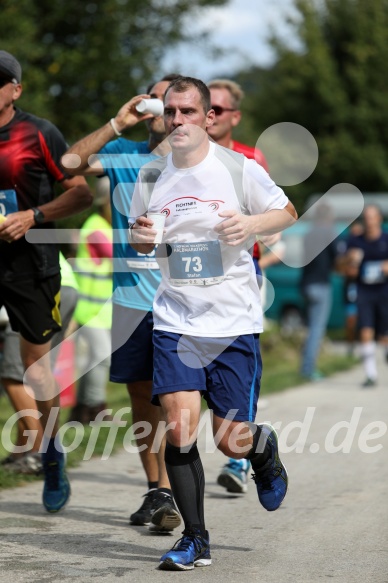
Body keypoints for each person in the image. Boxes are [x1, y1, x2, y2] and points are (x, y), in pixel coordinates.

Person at [129, 76, 297, 570]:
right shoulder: (151, 177)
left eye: (187, 111)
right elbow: (142, 245)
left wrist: (250, 225)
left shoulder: (239, 169)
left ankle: (261, 451)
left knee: (230, 440)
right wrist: (142, 238)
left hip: (231, 323)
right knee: (179, 430)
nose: (177, 120)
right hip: (175, 319)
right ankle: (196, 539)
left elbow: (286, 211)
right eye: (170, 112)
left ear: (207, 117)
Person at [62, 74, 182, 532]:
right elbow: (69, 163)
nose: (160, 108)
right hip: (130, 299)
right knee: (140, 396)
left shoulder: (201, 164)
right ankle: (157, 489)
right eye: (155, 98)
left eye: (170, 102)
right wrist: (117, 122)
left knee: (175, 398)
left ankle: (172, 487)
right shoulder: (122, 154)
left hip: (181, 301)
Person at [0, 50, 92, 512]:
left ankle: (52, 451)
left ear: (16, 89)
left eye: (0, 81)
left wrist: (32, 215)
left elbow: (81, 191)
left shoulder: (38, 133)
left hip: (30, 264)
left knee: (35, 368)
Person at [207, 78, 283, 495]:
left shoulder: (250, 158)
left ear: (235, 116)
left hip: (240, 274)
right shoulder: (179, 157)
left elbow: (272, 213)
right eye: (208, 107)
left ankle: (240, 455)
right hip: (190, 281)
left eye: (220, 108)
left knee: (241, 363)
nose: (212, 115)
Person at [0, 253, 79, 474]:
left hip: (37, 288)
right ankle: (23, 451)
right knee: (36, 377)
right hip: (63, 285)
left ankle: (38, 452)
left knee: (14, 376)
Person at [69, 176, 113, 424]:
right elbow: (121, 257)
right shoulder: (96, 228)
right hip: (88, 308)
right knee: (101, 355)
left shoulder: (104, 227)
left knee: (92, 360)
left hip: (100, 309)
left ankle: (80, 411)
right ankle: (97, 410)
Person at [337, 205, 388, 387]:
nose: (369, 221)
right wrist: (349, 261)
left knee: (384, 336)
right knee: (366, 331)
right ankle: (370, 375)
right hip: (364, 291)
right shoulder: (355, 241)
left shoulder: (386, 239)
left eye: (372, 217)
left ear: (379, 219)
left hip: (384, 291)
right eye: (366, 217)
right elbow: (340, 267)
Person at [299, 203, 338, 381]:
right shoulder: (329, 233)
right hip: (321, 284)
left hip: (306, 283)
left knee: (309, 327)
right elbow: (336, 258)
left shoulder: (308, 233)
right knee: (317, 329)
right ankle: (308, 369)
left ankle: (305, 365)